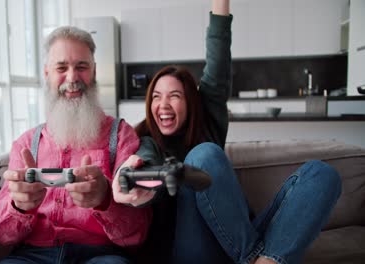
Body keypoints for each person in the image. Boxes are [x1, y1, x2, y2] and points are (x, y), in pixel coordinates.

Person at [112, 0, 342, 264]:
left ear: (191, 102)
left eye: (174, 95)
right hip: (190, 251)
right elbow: (144, 168)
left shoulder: (208, 122)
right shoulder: (146, 142)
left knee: (322, 174)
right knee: (203, 156)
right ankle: (253, 257)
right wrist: (135, 179)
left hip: (237, 240)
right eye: (155, 97)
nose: (163, 104)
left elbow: (218, 58)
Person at [0, 26, 152, 264]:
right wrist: (19, 206)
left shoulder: (121, 137)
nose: (72, 77)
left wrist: (105, 199)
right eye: (61, 67)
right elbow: (1, 234)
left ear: (94, 71)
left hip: (100, 255)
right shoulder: (25, 143)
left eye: (82, 67)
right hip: (32, 256)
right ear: (47, 73)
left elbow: (137, 234)